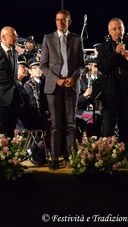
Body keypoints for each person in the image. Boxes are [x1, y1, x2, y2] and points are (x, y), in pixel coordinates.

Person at [40, 10, 85, 170]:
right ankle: (54, 158)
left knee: (71, 124)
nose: (60, 23)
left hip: (71, 86)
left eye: (63, 20)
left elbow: (82, 64)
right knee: (55, 125)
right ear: (55, 21)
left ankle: (71, 157)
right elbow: (43, 66)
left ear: (69, 22)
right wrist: (57, 80)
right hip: (54, 87)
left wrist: (73, 77)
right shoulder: (48, 39)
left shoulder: (76, 39)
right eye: (58, 20)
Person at [96, 17, 128, 151]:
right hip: (109, 95)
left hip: (127, 94)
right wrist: (115, 54)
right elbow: (102, 67)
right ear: (109, 31)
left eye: (120, 28)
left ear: (124, 30)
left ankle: (124, 156)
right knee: (108, 128)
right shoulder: (103, 48)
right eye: (115, 29)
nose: (118, 31)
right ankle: (107, 157)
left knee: (125, 127)